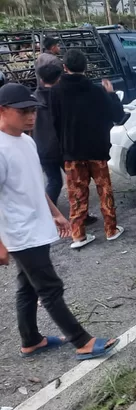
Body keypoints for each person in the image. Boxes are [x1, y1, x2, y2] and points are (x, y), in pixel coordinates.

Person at [0, 83, 120, 361]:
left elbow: (32, 185)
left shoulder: (26, 140)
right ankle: (82, 341)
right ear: (3, 111)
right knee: (50, 288)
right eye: (23, 111)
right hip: (20, 232)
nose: (31, 117)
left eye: (33, 110)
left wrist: (54, 211)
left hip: (35, 225)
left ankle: (31, 340)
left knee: (27, 286)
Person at [49, 49, 125, 249]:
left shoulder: (55, 92)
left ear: (65, 68)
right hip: (96, 150)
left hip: (72, 152)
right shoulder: (97, 91)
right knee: (104, 190)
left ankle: (78, 235)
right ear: (85, 68)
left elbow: (54, 123)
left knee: (76, 194)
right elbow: (117, 115)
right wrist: (112, 94)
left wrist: (63, 146)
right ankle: (111, 230)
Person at [33, 63, 64, 206]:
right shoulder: (60, 97)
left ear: (41, 79)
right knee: (74, 180)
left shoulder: (34, 98)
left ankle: (49, 212)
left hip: (42, 148)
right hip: (61, 147)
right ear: (58, 79)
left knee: (54, 181)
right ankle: (81, 215)